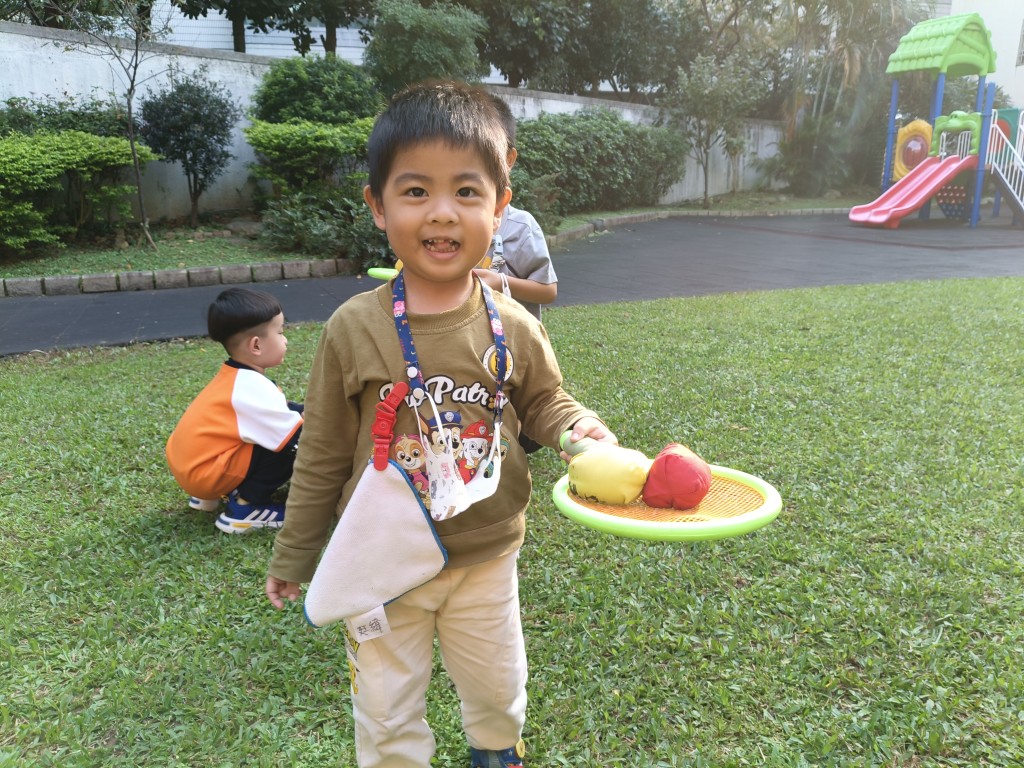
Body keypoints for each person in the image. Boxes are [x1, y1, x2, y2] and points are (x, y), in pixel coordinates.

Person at [264, 81, 616, 768]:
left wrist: (579, 429)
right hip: (382, 559)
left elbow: (545, 400)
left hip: (487, 554)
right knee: (385, 709)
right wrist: (295, 553)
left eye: (467, 191)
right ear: (378, 205)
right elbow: (324, 451)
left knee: (498, 688)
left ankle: (496, 752)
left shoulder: (512, 323)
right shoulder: (353, 328)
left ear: (501, 204)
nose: (443, 213)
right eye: (416, 191)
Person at [165, 287, 303, 534]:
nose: (285, 340)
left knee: (278, 427)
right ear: (256, 345)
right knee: (288, 444)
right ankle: (246, 508)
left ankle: (209, 496)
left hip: (191, 468)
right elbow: (297, 436)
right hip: (206, 475)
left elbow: (281, 410)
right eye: (280, 332)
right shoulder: (252, 387)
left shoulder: (233, 377)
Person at [472, 94, 557, 323]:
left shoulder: (521, 227)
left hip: (512, 338)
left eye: (484, 154)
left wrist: (501, 282)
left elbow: (548, 290)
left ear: (509, 159)